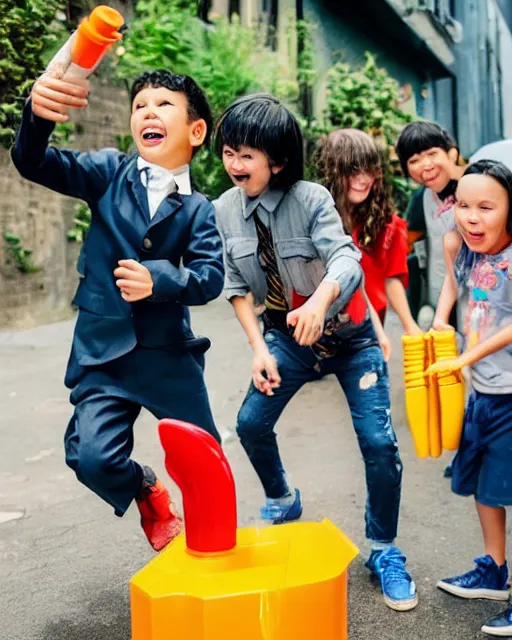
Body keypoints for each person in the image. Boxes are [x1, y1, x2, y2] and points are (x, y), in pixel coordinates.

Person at [214, 93, 418, 611]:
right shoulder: (223, 210)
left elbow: (346, 260)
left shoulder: (309, 199)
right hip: (285, 339)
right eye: (229, 153)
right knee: (251, 423)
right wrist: (259, 347)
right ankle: (282, 500)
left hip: (351, 341)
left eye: (247, 156)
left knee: (379, 444)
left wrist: (321, 301)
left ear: (276, 161)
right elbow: (236, 285)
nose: (235, 165)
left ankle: (383, 548)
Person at [11, 68, 224, 551]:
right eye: (139, 105)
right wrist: (37, 116)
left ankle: (215, 550)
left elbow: (210, 278)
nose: (148, 111)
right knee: (90, 458)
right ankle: (144, 488)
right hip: (103, 351)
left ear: (195, 131)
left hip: (167, 356)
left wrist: (160, 280)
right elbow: (34, 160)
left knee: (206, 461)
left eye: (164, 104)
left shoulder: (199, 210)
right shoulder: (107, 172)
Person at [426, 160, 512, 637]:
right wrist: (441, 320)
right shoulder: (460, 246)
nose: (471, 217)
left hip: (510, 394)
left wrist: (464, 358)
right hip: (482, 392)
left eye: (486, 207)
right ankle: (494, 571)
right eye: (463, 205)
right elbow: (454, 284)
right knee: (484, 487)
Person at [318, 128, 421, 334]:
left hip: (369, 333)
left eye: (370, 170)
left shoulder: (387, 223)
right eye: (354, 170)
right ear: (333, 171)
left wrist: (410, 326)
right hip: (319, 329)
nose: (364, 179)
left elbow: (392, 279)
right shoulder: (313, 218)